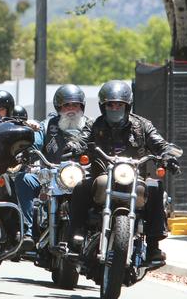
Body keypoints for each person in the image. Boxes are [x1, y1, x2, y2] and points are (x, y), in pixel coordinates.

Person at [68, 80, 180, 262]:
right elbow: (82, 139)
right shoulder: (96, 125)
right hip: (103, 177)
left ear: (127, 106)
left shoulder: (142, 125)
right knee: (81, 187)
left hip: (134, 178)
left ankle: (153, 247)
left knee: (155, 187)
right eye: (110, 105)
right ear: (103, 107)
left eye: (119, 104)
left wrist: (167, 155)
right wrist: (75, 146)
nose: (115, 108)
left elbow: (160, 144)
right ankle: (75, 237)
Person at [13, 84, 93, 249]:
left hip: (81, 177)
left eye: (75, 105)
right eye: (66, 105)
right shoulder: (48, 124)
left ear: (82, 106)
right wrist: (29, 150)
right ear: (59, 107)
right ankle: (27, 232)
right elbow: (36, 140)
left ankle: (93, 235)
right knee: (24, 179)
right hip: (50, 174)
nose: (71, 109)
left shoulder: (91, 126)